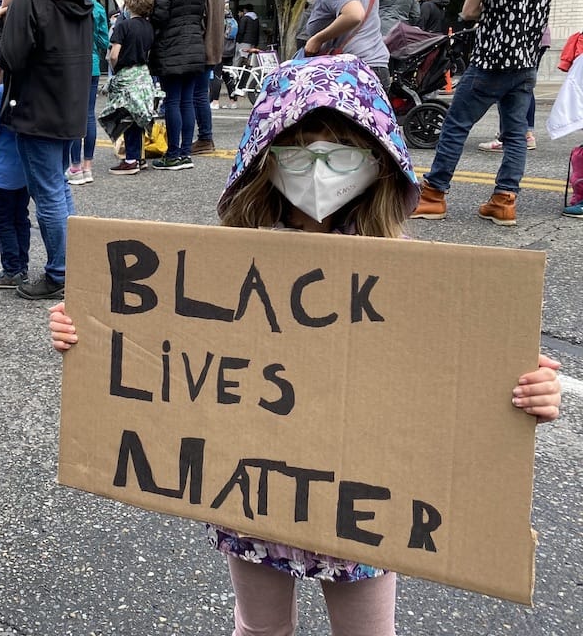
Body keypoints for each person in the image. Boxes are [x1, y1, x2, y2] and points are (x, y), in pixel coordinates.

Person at [48, 52, 562, 636]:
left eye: (340, 148)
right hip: (254, 499)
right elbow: (147, 337)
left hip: (368, 508)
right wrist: (83, 332)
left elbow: (467, 369)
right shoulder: (232, 263)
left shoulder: (414, 277)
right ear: (267, 158)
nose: (319, 167)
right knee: (260, 627)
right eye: (299, 147)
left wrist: (531, 390)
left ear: (377, 161)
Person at [411, 0, 556, 226]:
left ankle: (433, 194)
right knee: (516, 133)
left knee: (456, 125)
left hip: (492, 59)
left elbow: (469, 10)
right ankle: (504, 201)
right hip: (526, 61)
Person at [0, 0, 93, 302]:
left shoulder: (30, 1)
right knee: (59, 188)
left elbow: (11, 58)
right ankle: (72, 266)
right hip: (68, 109)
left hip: (36, 110)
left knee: (47, 195)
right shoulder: (80, 1)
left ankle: (59, 272)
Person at [148, 0, 208, 170]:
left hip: (171, 47)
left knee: (172, 100)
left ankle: (172, 154)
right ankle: (184, 153)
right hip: (195, 46)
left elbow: (161, 16)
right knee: (188, 100)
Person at [0, 61, 30, 289]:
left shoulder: (0, 92)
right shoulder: (31, 88)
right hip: (25, 169)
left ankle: (11, 269)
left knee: (4, 221)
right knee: (21, 218)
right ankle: (22, 265)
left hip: (3, 170)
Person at [102, 0, 157, 175]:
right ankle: (139, 157)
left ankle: (131, 159)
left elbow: (114, 54)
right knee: (139, 116)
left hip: (126, 75)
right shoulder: (149, 27)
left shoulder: (123, 26)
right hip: (143, 74)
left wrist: (114, 68)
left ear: (129, 5)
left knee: (126, 117)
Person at [478, 23, 551, 153]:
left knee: (506, 83)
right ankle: (524, 134)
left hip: (518, 35)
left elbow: (469, 12)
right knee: (524, 86)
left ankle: (509, 136)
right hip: (538, 36)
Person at [67, 0, 109, 185]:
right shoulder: (97, 7)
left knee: (74, 114)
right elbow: (103, 41)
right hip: (92, 64)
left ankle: (74, 166)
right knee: (89, 114)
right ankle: (88, 167)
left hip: (72, 64)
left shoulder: (66, 5)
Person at [192, 0, 224, 154]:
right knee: (200, 93)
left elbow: (200, 19)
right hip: (213, 47)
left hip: (201, 47)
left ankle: (205, 137)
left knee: (196, 95)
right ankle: (205, 137)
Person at [210, 0, 238, 110]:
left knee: (216, 76)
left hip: (219, 51)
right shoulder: (233, 19)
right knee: (228, 76)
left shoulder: (219, 20)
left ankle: (215, 102)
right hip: (230, 51)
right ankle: (233, 102)